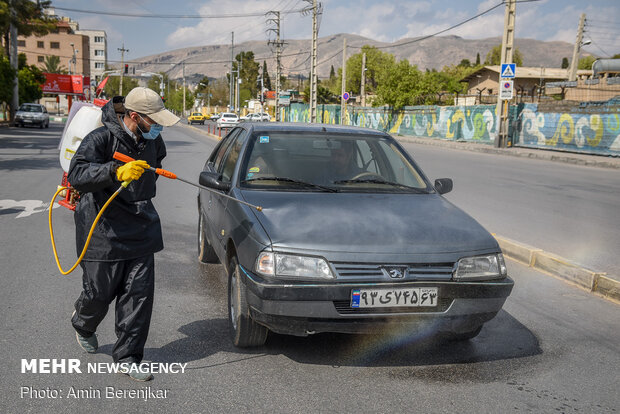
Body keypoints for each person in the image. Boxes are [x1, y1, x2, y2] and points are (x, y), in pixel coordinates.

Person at [67, 87, 179, 381]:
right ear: (133, 116)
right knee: (99, 293)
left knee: (138, 295)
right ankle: (83, 323)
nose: (158, 127)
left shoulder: (154, 141)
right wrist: (115, 172)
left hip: (141, 225)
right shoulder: (100, 138)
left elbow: (157, 163)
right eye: (153, 121)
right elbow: (77, 173)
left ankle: (128, 356)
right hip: (102, 227)